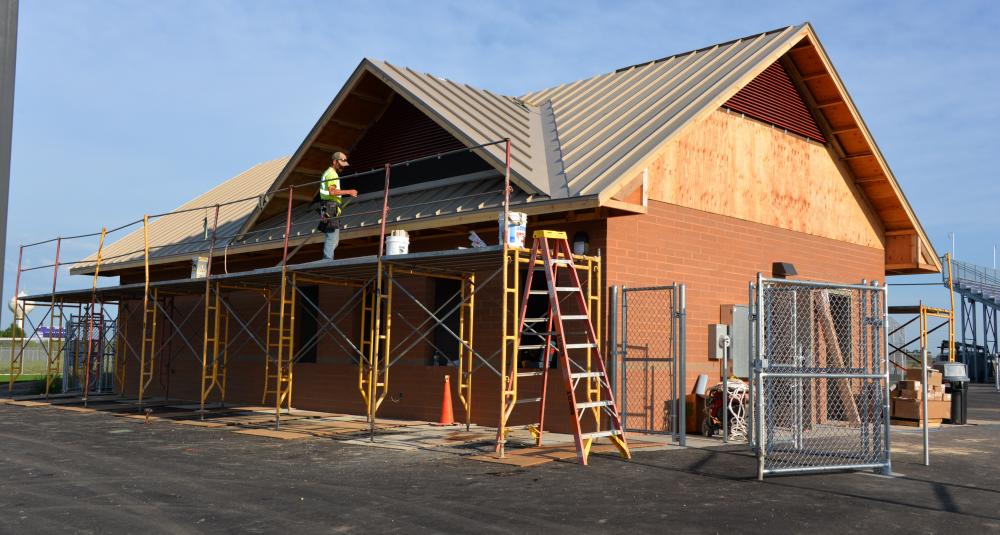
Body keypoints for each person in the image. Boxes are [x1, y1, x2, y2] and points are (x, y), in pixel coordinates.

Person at [317, 151, 358, 260]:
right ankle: (327, 260)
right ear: (334, 162)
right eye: (340, 164)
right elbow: (332, 191)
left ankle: (327, 259)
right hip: (330, 206)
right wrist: (349, 191)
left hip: (329, 206)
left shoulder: (329, 173)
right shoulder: (332, 174)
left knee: (333, 238)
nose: (342, 167)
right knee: (332, 237)